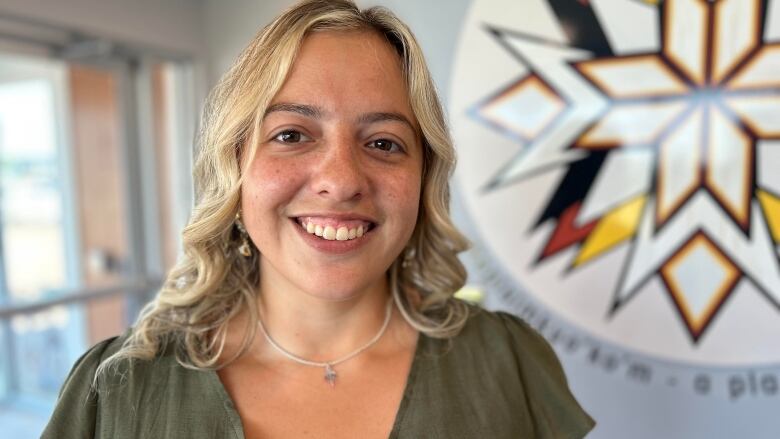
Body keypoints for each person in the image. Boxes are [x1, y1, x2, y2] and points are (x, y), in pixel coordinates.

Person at [42, 0, 595, 437]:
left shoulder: (508, 364)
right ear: (234, 166)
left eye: (383, 142)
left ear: (423, 180)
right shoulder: (113, 390)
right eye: (290, 135)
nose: (341, 179)